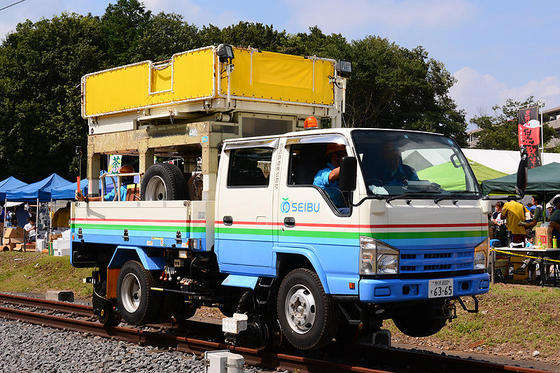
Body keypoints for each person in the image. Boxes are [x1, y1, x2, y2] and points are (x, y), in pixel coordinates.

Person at [313, 143, 349, 212]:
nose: (346, 156)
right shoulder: (322, 173)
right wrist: (348, 164)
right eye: (344, 155)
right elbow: (331, 175)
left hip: (341, 207)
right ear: (334, 156)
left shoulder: (342, 173)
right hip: (330, 209)